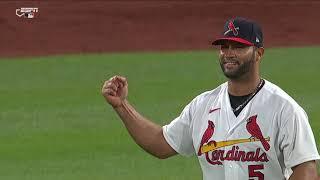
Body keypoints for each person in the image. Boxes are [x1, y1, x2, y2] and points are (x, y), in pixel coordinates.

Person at [101, 17, 320, 180]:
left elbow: (307, 170)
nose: (229, 53)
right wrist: (122, 106)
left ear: (259, 53)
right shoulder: (203, 106)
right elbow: (161, 143)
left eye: (239, 47)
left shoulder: (284, 109)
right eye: (225, 46)